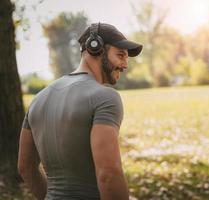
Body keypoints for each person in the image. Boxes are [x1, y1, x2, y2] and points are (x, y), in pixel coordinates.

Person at [17, 22, 143, 200]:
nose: (125, 65)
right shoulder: (106, 97)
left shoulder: (38, 99)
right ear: (95, 48)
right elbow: (108, 174)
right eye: (120, 55)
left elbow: (25, 166)